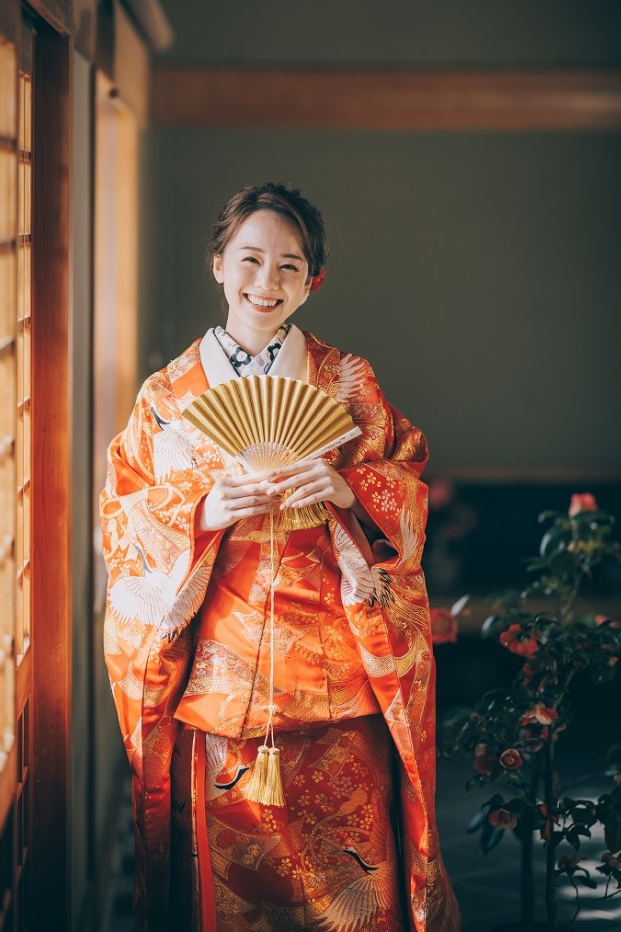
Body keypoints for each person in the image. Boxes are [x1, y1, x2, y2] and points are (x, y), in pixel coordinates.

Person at [100, 182, 460, 932]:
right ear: (217, 264)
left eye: (289, 266)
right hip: (220, 689)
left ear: (313, 280)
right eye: (251, 259)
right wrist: (199, 511)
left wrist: (350, 487)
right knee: (232, 903)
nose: (267, 283)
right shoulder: (167, 396)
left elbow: (408, 481)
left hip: (338, 685)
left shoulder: (348, 383)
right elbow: (121, 517)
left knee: (353, 896)